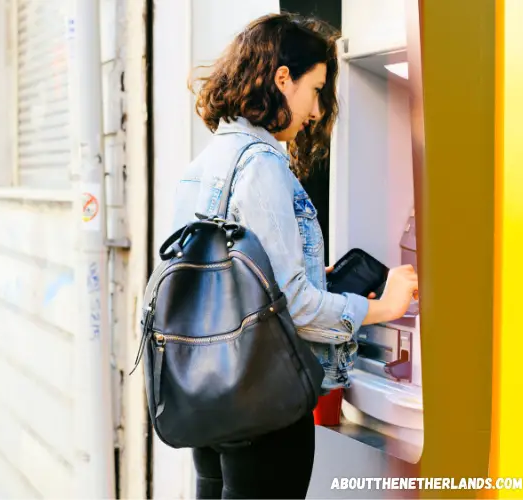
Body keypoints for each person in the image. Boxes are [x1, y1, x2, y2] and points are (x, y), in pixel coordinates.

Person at [174, 13, 419, 499]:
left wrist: (304, 274)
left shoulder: (205, 163)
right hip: (263, 402)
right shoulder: (262, 165)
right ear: (282, 78)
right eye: (316, 89)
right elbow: (297, 308)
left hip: (209, 394)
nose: (315, 109)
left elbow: (213, 278)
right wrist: (384, 308)